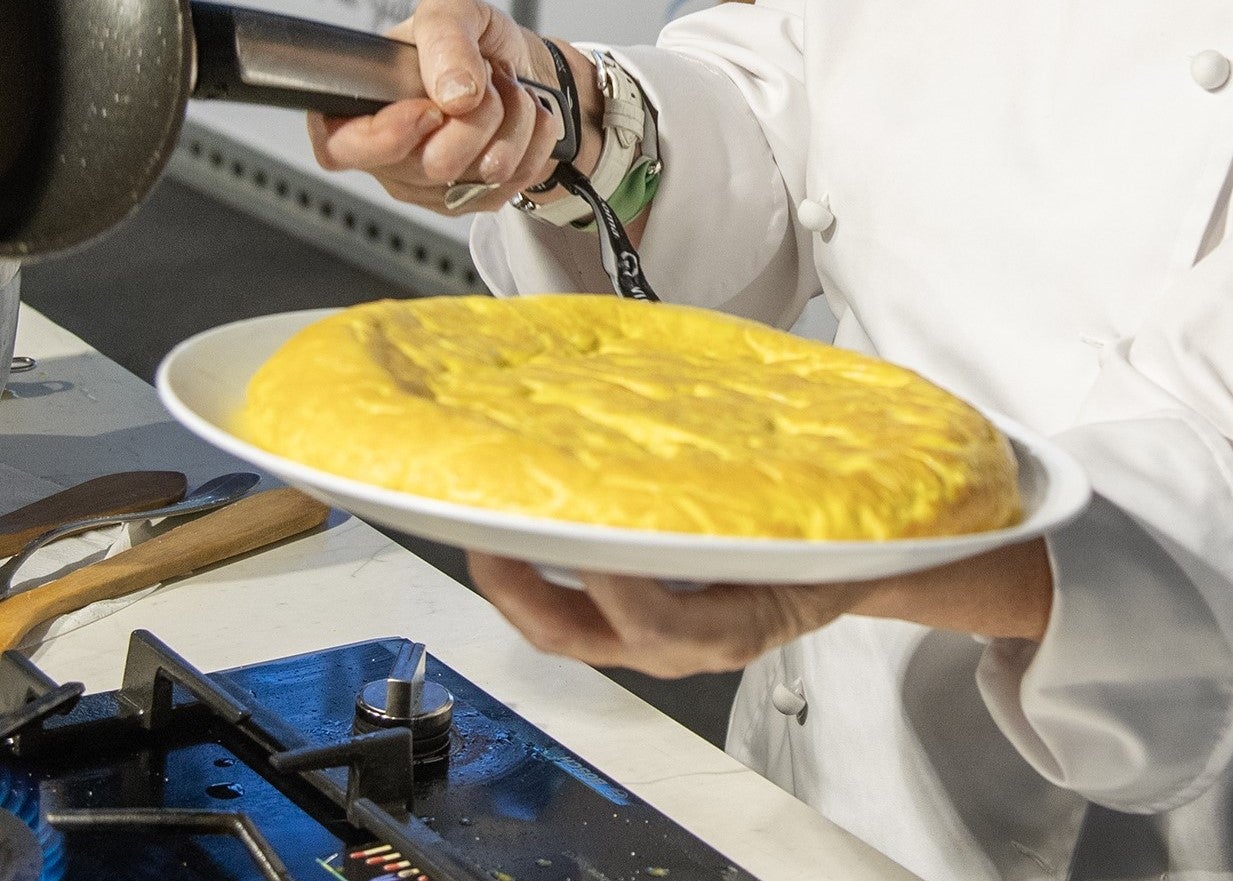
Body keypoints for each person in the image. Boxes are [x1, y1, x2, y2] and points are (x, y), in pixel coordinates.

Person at [307, 1, 1233, 878]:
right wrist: (568, 126)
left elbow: (1204, 478)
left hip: (1146, 768)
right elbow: (793, 93)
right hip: (820, 733)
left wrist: (848, 550)